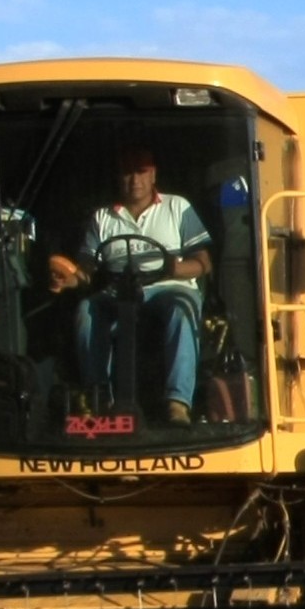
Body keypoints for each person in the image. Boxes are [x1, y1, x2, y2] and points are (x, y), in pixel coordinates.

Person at [47, 149, 212, 423]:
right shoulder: (102, 217)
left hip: (169, 286)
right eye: (127, 172)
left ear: (153, 174)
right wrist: (68, 279)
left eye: (141, 172)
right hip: (118, 289)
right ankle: (100, 399)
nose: (134, 180)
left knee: (182, 308)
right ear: (118, 177)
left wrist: (174, 268)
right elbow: (87, 271)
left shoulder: (177, 207)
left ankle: (178, 403)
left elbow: (204, 263)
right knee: (87, 310)